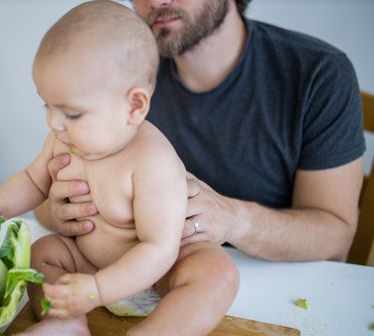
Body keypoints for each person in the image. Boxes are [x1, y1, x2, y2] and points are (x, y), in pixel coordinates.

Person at [0, 1, 239, 336]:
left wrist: (98, 290)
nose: (54, 123)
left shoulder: (152, 161)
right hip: (90, 262)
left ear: (134, 106)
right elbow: (32, 181)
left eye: (72, 112)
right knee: (41, 254)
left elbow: (159, 247)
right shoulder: (63, 139)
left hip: (163, 270)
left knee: (217, 275)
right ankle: (64, 325)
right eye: (47, 106)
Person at [36, 0, 366, 263]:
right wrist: (59, 212)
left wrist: (236, 220)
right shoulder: (117, 66)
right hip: (129, 274)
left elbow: (335, 237)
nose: (156, 2)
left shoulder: (319, 73)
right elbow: (41, 195)